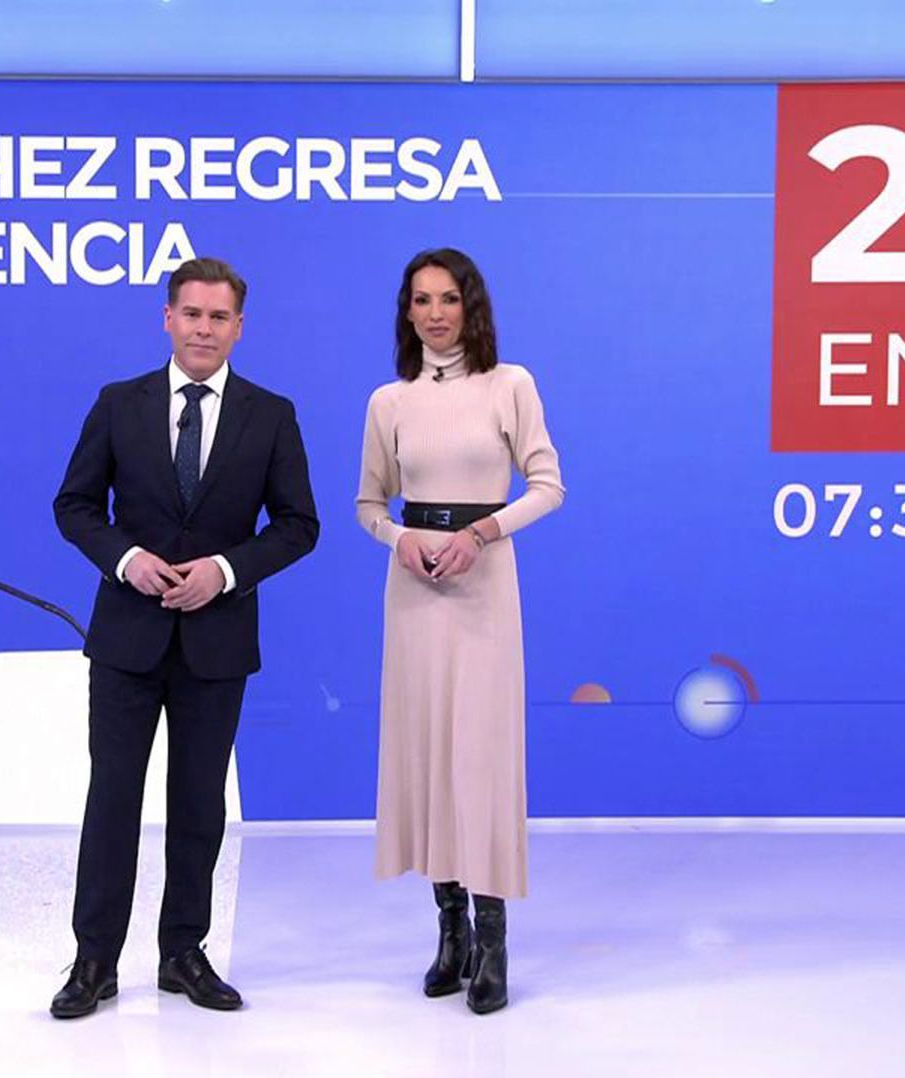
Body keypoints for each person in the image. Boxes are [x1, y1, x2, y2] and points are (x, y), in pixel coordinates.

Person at [50, 257, 319, 1018]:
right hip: (126, 641)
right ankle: (94, 960)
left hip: (216, 641)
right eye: (191, 314)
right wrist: (127, 560)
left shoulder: (270, 415)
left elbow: (298, 525)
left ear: (239, 327)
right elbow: (74, 506)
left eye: (218, 317)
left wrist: (225, 572)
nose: (204, 329)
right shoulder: (118, 403)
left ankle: (183, 953)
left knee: (200, 803)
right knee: (113, 798)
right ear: (167, 319)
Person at [355, 247, 564, 1014]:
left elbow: (547, 485)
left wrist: (481, 534)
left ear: (470, 307)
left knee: (478, 757)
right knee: (427, 752)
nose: (434, 313)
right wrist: (398, 540)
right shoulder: (389, 401)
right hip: (414, 590)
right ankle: (450, 931)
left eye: (448, 298)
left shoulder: (510, 386)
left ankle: (493, 938)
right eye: (421, 300)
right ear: (406, 313)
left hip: (483, 584)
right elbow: (368, 504)